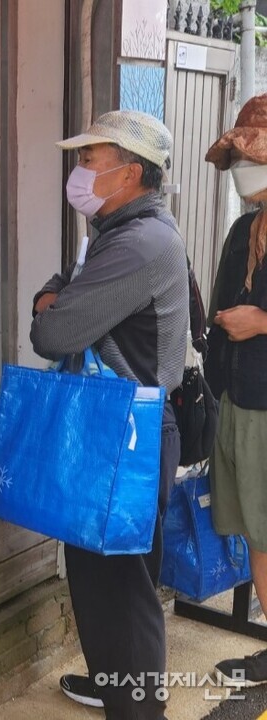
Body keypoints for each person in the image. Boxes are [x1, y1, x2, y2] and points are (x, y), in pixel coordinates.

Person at [30, 110, 188, 719]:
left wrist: (52, 306)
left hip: (127, 435)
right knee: (105, 588)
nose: (78, 172)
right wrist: (58, 295)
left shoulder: (139, 242)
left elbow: (56, 329)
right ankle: (122, 691)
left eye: (89, 161)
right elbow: (65, 284)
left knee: (121, 596)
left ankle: (138, 708)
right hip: (117, 429)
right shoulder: (113, 231)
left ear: (129, 172)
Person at [203, 93, 267, 685]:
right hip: (238, 401)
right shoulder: (244, 228)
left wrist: (263, 321)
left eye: (255, 156)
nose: (244, 169)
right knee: (256, 530)